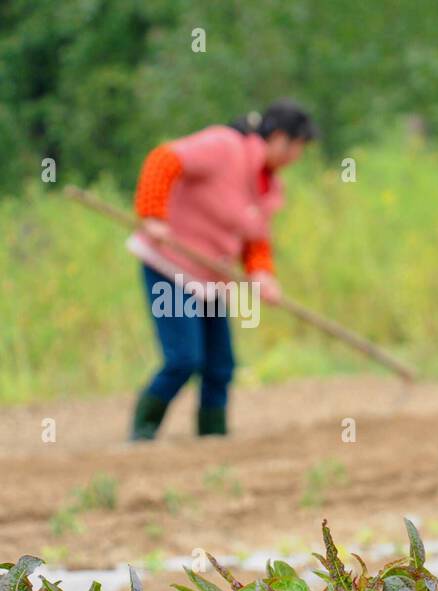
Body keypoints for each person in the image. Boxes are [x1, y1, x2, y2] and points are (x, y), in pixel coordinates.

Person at [128, 100, 317, 440]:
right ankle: (141, 435)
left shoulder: (270, 187)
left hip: (213, 277)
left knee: (220, 365)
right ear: (278, 138)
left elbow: (255, 240)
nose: (296, 158)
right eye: (297, 147)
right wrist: (153, 214)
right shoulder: (223, 146)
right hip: (170, 266)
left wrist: (262, 274)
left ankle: (212, 439)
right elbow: (163, 159)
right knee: (183, 359)